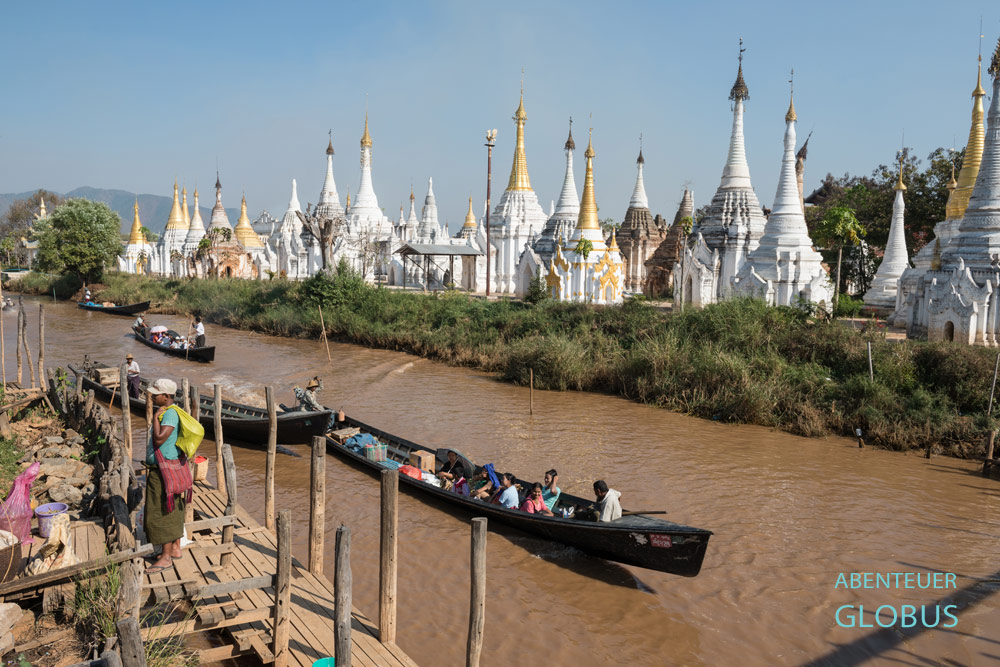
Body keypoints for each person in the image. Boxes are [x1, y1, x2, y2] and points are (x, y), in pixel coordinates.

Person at [143, 378, 192, 573]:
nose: (153, 396)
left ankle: (165, 558)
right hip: (169, 468)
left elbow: (159, 438)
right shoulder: (172, 412)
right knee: (172, 508)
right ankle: (174, 549)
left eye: (156, 394)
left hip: (163, 472)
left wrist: (155, 417)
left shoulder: (168, 414)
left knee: (161, 511)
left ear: (165, 397)